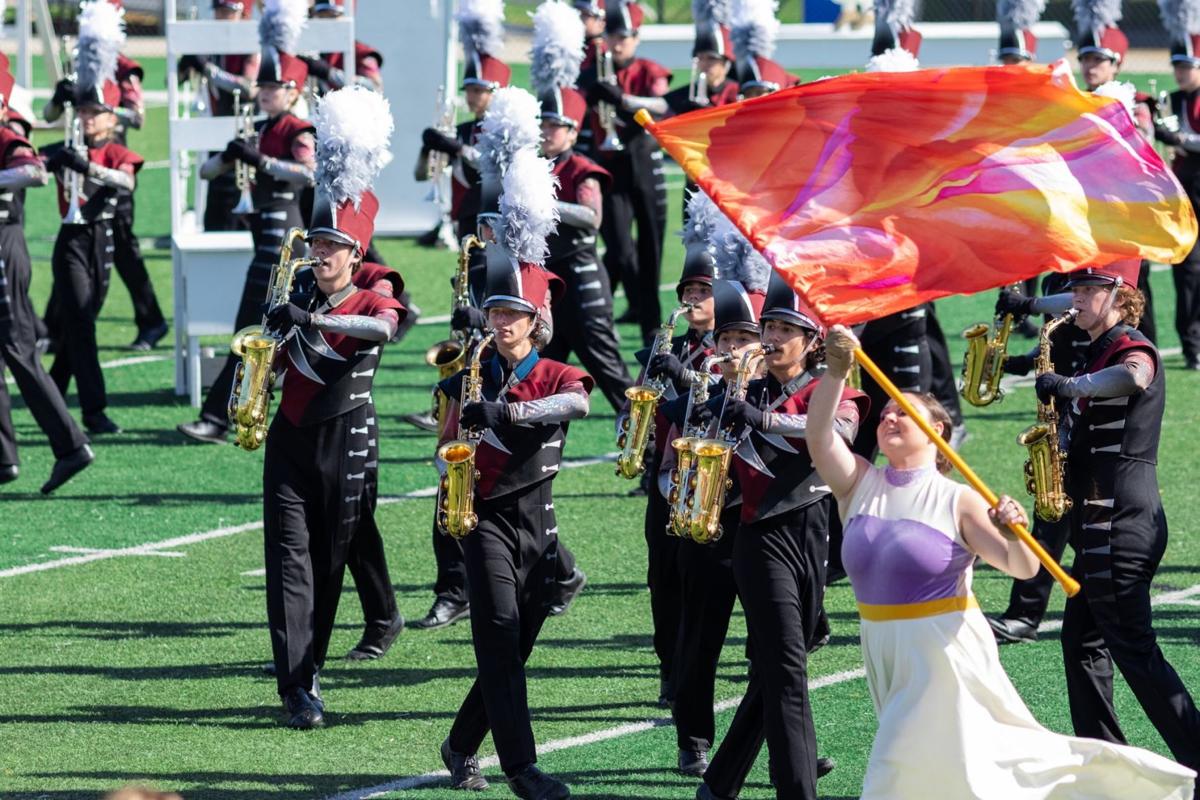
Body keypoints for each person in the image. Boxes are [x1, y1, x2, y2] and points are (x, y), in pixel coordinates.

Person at [804, 322, 1197, 799]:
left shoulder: (959, 499)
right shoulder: (858, 484)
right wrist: (836, 374)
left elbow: (1022, 567)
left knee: (894, 764)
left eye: (902, 414)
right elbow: (819, 437)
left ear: (937, 432)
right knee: (958, 767)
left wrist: (1017, 531)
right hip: (884, 645)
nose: (888, 419)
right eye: (885, 413)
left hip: (943, 648)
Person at [438, 156, 592, 798]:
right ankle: (522, 768)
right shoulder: (467, 370)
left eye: (512, 315)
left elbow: (578, 404)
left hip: (541, 527)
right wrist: (458, 420)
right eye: (494, 313)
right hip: (483, 522)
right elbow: (444, 441)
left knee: (511, 648)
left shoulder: (555, 373)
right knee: (499, 636)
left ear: (535, 321)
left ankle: (459, 742)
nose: (500, 325)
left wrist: (505, 410)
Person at [259, 86, 405, 728]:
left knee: (328, 562)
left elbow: (387, 330)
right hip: (287, 439)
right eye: (316, 245)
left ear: (356, 253)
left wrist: (309, 322)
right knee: (288, 560)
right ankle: (298, 685)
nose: (320, 256)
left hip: (345, 439)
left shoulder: (374, 295)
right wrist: (267, 339)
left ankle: (334, 648)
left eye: (332, 248)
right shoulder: (296, 285)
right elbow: (269, 347)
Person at [697, 274, 863, 800]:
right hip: (758, 535)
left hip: (814, 534)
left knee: (782, 662)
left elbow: (839, 432)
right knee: (788, 669)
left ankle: (720, 782)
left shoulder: (828, 388)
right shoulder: (740, 385)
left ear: (812, 341)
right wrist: (713, 409)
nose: (770, 337)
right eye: (767, 325)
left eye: (785, 328)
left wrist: (763, 418)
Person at [1034, 258, 1200, 781]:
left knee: (1133, 648)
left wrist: (1066, 385)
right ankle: (1105, 762)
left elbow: (1134, 378)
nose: (1076, 298)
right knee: (1080, 642)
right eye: (1074, 289)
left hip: (1121, 521)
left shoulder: (1131, 345)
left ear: (1121, 297)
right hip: (1095, 519)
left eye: (1087, 289)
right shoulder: (1095, 347)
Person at [178, 7, 316, 446]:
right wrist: (232, 154)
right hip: (265, 243)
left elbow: (309, 173)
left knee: (258, 333)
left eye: (274, 87)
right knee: (253, 332)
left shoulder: (299, 129)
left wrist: (264, 162)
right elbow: (207, 174)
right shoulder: (256, 128)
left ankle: (219, 417)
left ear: (293, 91)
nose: (264, 92)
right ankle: (239, 414)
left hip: (285, 245)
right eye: (263, 85)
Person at [657, 256, 764, 778]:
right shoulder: (702, 389)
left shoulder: (775, 396)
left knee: (774, 651)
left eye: (743, 340)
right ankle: (693, 740)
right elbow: (672, 441)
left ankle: (790, 748)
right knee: (698, 641)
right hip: (706, 528)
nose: (731, 350)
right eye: (725, 341)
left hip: (762, 529)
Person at [631, 189, 718, 708]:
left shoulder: (736, 347)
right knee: (661, 582)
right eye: (688, 291)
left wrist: (684, 378)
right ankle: (669, 665)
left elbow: (721, 398)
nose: (693, 300)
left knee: (699, 587)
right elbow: (645, 398)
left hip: (707, 484)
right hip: (664, 481)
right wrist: (635, 423)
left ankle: (693, 670)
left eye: (703, 291)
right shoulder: (667, 343)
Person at [44, 0, 166, 353]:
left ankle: (151, 320)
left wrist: (103, 111)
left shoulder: (124, 68)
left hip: (111, 162)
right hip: (75, 161)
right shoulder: (77, 68)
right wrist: (59, 97)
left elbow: (138, 117)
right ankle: (56, 327)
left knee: (123, 246)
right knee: (73, 244)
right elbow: (51, 115)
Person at [531, 1, 634, 413]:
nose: (546, 131)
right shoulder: (532, 166)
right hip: (547, 282)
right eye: (543, 122)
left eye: (554, 124)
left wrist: (545, 202)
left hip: (583, 277)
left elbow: (591, 220)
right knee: (539, 374)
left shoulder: (583, 168)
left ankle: (647, 443)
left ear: (573, 130)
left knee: (608, 370)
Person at [42, 24, 145, 437]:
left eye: (93, 113)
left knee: (77, 323)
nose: (85, 119)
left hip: (102, 240)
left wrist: (90, 168)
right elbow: (33, 160)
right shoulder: (68, 146)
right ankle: (93, 411)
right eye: (81, 112)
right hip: (71, 242)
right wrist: (53, 159)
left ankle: (49, 395)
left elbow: (127, 182)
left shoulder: (116, 149)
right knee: (81, 324)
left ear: (109, 117)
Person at [0, 67, 94, 493]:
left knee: (20, 349)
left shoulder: (6, 135)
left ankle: (71, 445)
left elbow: (32, 171)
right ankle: (4, 458)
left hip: (3, 249)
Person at [985, 281, 1089, 644]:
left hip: (1088, 417)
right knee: (1058, 518)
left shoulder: (1098, 260)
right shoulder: (1056, 272)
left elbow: (1079, 304)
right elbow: (1055, 339)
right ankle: (1027, 614)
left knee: (1058, 520)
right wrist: (1016, 362)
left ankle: (1025, 615)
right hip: (1061, 415)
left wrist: (1028, 303)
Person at [585, 0, 671, 342]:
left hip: (645, 167)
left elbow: (662, 105)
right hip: (609, 171)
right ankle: (601, 318)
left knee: (651, 251)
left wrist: (624, 100)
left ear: (636, 37)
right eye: (613, 36)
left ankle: (652, 324)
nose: (619, 43)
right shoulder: (591, 69)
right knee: (619, 249)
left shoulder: (649, 70)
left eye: (626, 36)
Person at [177, 0, 259, 233]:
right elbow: (174, 81)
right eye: (220, 11)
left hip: (248, 129)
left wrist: (206, 69)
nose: (223, 16)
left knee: (244, 206)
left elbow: (248, 88)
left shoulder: (251, 44)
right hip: (216, 133)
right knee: (217, 208)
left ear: (242, 13)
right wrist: (185, 62)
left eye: (228, 11)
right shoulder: (210, 43)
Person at [1154, 21, 1200, 369]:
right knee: (1187, 271)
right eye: (1178, 66)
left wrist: (1181, 140)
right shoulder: (1170, 99)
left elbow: (1185, 141)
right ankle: (1191, 344)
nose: (1181, 72)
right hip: (1185, 196)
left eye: (1188, 65)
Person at [302, 0, 384, 93]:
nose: (326, 23)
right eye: (321, 16)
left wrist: (329, 73)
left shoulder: (361, 54)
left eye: (332, 16)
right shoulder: (306, 51)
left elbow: (375, 88)